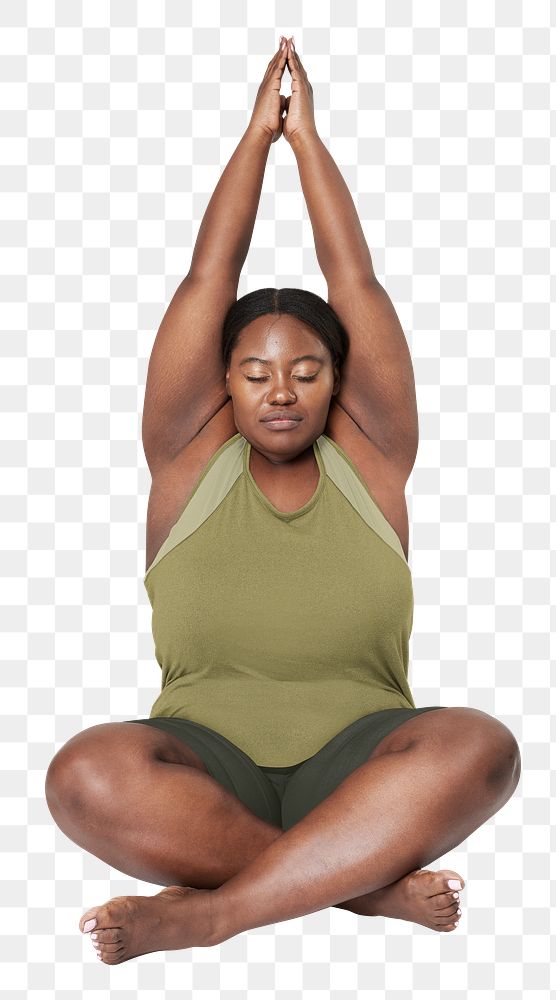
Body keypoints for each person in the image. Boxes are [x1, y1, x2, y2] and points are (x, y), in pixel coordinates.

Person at [44, 35, 521, 965]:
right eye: (255, 372)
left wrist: (308, 146)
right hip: (202, 769)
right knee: (83, 775)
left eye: (306, 371)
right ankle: (360, 888)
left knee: (482, 746)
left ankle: (214, 913)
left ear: (337, 384)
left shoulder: (374, 460)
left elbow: (359, 285)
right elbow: (204, 282)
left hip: (366, 767)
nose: (281, 390)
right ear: (222, 385)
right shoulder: (186, 461)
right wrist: (253, 139)